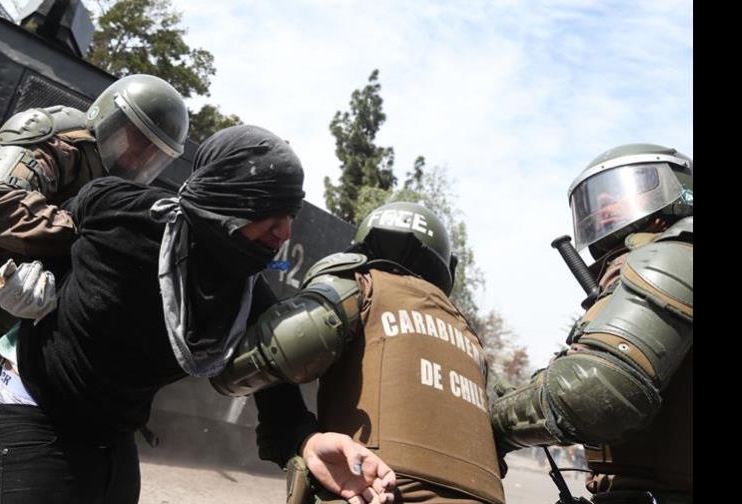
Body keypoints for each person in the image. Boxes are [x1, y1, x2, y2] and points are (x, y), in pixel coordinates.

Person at [0, 125, 397, 504]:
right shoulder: (117, 208)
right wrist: (22, 284)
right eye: (271, 209)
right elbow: (43, 231)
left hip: (114, 437)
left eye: (291, 215)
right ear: (227, 194)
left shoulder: (247, 293)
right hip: (34, 409)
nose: (284, 232)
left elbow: (276, 387)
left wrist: (307, 441)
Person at [0, 73, 188, 501]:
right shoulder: (53, 138)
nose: (138, 157)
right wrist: (94, 238)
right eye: (133, 139)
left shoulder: (115, 195)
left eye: (152, 155)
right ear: (106, 118)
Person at [213, 201, 506, 504]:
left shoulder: (362, 285)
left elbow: (248, 366)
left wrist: (297, 434)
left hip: (373, 493)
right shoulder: (471, 339)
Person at [490, 143, 693, 504]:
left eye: (621, 193)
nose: (606, 210)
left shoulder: (679, 250)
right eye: (596, 202)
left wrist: (496, 421)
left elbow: (593, 390)